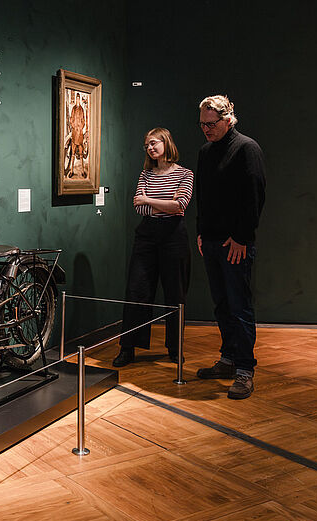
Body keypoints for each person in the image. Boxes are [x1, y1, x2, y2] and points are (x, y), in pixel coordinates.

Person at [194, 95, 266, 399]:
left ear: (228, 119)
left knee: (239, 307)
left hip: (234, 242)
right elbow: (203, 195)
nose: (207, 129)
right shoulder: (205, 152)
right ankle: (227, 359)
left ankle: (244, 370)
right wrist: (200, 232)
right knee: (222, 305)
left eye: (212, 124)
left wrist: (241, 237)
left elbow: (254, 196)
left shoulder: (247, 148)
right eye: (202, 125)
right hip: (210, 241)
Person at [113, 128, 193, 367]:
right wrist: (162, 205)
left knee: (175, 294)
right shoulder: (145, 175)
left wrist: (149, 200)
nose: (150, 148)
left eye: (154, 143)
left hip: (174, 237)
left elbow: (180, 206)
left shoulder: (185, 174)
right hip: (146, 236)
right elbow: (139, 208)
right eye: (147, 145)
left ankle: (174, 348)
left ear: (166, 143)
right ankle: (128, 348)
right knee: (136, 291)